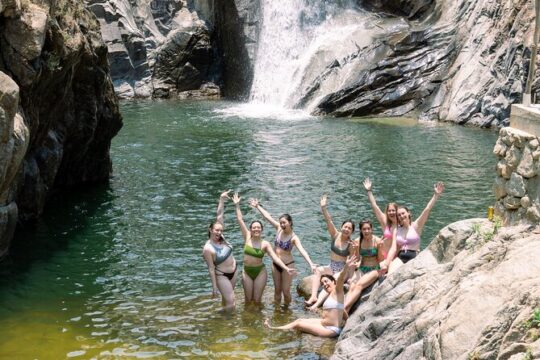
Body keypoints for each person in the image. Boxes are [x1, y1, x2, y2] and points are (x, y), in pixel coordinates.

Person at [264, 256, 357, 337]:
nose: (324, 284)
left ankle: (273, 329)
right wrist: (348, 321)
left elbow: (340, 278)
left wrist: (346, 267)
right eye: (322, 283)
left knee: (298, 324)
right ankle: (278, 328)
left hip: (330, 330)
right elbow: (342, 309)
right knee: (300, 319)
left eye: (326, 281)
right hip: (323, 324)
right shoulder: (331, 295)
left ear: (333, 282)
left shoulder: (338, 291)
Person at [249, 198, 317, 304]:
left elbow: (302, 251)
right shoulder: (279, 229)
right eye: (281, 223)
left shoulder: (294, 237)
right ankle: (277, 313)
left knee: (286, 292)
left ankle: (286, 311)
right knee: (277, 291)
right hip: (276, 265)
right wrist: (258, 206)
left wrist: (311, 264)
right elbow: (267, 217)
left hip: (288, 266)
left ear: (290, 222)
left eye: (284, 223)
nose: (282, 225)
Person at [232, 193, 296, 303]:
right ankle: (249, 319)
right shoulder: (247, 237)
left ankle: (265, 317)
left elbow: (275, 258)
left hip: (260, 271)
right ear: (250, 229)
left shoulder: (265, 244)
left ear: (261, 230)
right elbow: (240, 219)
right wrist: (237, 205)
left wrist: (286, 268)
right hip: (246, 271)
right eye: (254, 228)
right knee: (248, 300)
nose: (256, 229)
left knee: (257, 300)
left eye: (258, 228)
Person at [304, 194, 356, 308]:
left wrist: (351, 277)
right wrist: (323, 208)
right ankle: (313, 296)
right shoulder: (335, 235)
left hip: (342, 269)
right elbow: (329, 220)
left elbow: (352, 263)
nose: (346, 229)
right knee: (318, 270)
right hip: (331, 266)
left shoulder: (351, 245)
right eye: (345, 227)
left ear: (352, 232)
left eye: (349, 228)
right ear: (342, 227)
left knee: (330, 282)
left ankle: (316, 305)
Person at [388, 182, 445, 273]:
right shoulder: (397, 229)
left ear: (408, 213)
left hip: (414, 255)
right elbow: (393, 248)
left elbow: (427, 209)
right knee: (389, 274)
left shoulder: (416, 226)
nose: (401, 216)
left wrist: (436, 195)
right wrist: (387, 262)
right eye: (399, 215)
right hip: (401, 256)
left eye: (403, 213)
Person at [202, 190, 237, 310]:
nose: (219, 232)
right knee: (231, 302)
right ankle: (228, 324)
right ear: (211, 230)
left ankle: (224, 321)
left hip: (233, 272)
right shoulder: (208, 248)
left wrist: (221, 200)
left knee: (227, 300)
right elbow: (211, 268)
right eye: (217, 230)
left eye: (221, 230)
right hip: (222, 275)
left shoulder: (222, 237)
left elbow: (220, 215)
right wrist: (214, 288)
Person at [343, 219, 384, 313]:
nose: (366, 231)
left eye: (368, 229)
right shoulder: (358, 241)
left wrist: (381, 247)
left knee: (359, 285)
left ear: (372, 229)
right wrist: (356, 249)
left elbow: (381, 260)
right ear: (361, 230)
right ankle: (346, 311)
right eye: (364, 229)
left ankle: (344, 307)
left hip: (374, 269)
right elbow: (357, 259)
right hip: (362, 268)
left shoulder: (377, 241)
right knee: (352, 285)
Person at [363, 177, 399, 265]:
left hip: (396, 256)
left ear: (397, 211)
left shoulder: (401, 224)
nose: (391, 212)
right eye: (389, 211)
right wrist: (369, 191)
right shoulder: (385, 222)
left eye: (393, 210)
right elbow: (374, 206)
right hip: (383, 255)